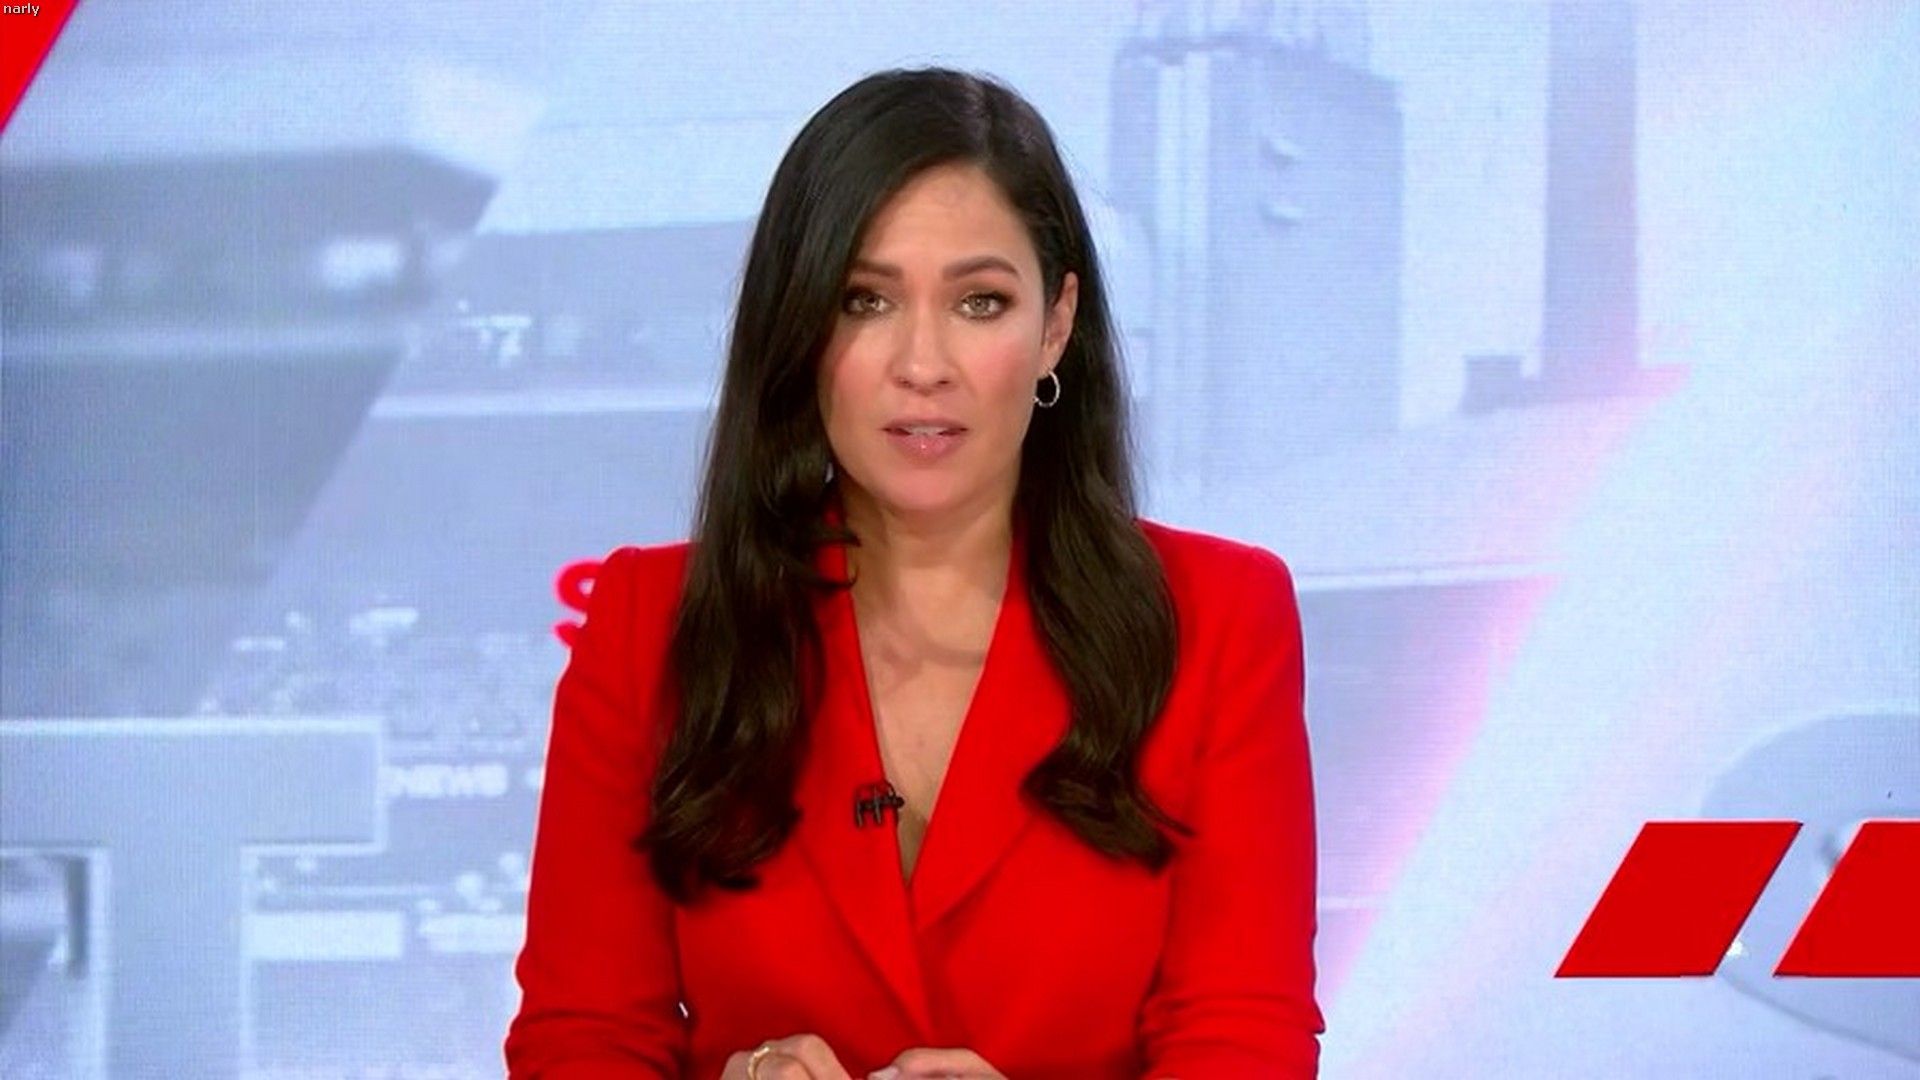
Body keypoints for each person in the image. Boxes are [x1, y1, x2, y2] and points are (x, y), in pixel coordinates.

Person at [504, 67, 1324, 1079]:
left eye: (980, 302)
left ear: (1055, 325)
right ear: (801, 329)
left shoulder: (1220, 619)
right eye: (866, 300)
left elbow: (1245, 1039)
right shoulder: (648, 626)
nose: (923, 363)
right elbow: (581, 1038)